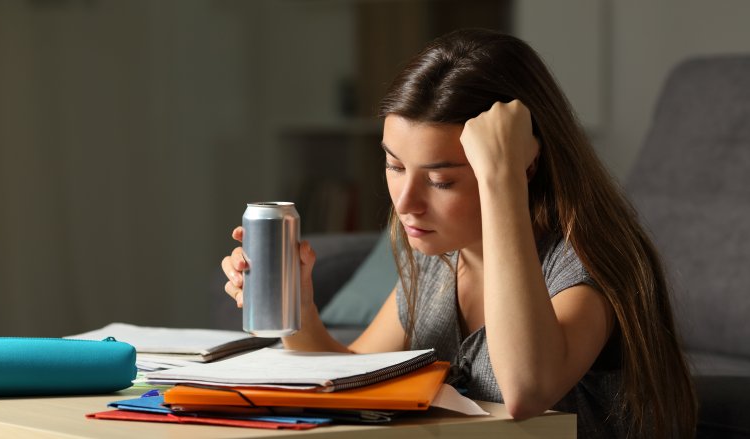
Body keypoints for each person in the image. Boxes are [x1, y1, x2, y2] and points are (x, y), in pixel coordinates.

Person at [222, 28, 696, 438]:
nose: (405, 202)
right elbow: (352, 374)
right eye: (394, 165)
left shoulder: (585, 263)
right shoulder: (440, 259)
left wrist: (503, 180)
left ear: (521, 165)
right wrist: (300, 308)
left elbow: (525, 391)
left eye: (441, 180)